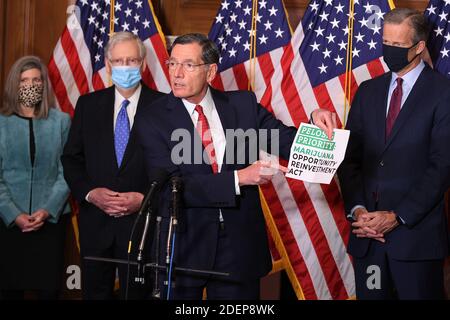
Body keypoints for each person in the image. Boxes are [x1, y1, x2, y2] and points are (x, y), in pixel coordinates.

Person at [135, 33, 335, 300]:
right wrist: (239, 178)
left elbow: (286, 141)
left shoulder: (243, 105)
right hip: (184, 245)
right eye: (172, 63)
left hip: (239, 249)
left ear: (210, 72)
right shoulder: (153, 118)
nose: (177, 73)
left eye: (188, 65)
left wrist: (315, 121)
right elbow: (171, 186)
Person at [338, 8, 450, 300]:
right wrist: (359, 210)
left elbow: (442, 166)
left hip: (416, 241)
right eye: (385, 42)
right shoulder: (367, 91)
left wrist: (397, 216)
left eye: (398, 46)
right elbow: (350, 161)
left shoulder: (443, 92)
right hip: (369, 241)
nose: (389, 51)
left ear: (419, 47)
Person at [61, 32, 164, 300]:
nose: (125, 66)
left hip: (143, 225)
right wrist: (90, 193)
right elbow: (71, 159)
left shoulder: (165, 107)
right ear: (107, 65)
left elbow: (173, 166)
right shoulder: (88, 105)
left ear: (142, 64)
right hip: (96, 225)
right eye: (119, 61)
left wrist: (145, 200)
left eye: (131, 60)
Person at [0, 56, 71, 300]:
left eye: (36, 80)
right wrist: (13, 214)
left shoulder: (61, 122)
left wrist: (47, 210)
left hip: (49, 223)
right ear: (14, 85)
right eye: (24, 80)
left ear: (44, 84)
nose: (31, 85)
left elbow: (67, 171)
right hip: (8, 223)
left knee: (49, 290)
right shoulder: (1, 123)